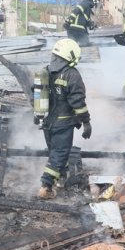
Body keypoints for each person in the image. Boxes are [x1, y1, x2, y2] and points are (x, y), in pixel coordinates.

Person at [38, 39, 92, 199]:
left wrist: (38, 116)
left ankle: (61, 180)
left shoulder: (44, 71)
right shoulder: (71, 74)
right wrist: (86, 122)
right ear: (70, 55)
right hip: (63, 123)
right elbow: (78, 102)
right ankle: (46, 186)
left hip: (47, 122)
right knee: (59, 154)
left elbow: (36, 95)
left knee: (56, 153)